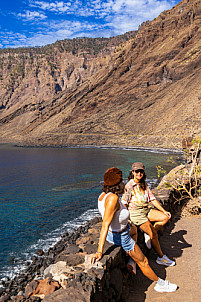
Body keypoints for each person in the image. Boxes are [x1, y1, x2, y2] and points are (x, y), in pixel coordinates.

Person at [91, 167, 177, 293]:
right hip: (121, 237)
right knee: (144, 261)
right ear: (118, 183)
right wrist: (99, 251)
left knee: (135, 230)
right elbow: (105, 224)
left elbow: (114, 216)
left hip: (120, 231)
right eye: (121, 181)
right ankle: (160, 284)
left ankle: (131, 261)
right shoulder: (113, 199)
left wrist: (126, 221)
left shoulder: (103, 195)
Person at [121, 162, 175, 267]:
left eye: (141, 171)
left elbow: (152, 199)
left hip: (146, 210)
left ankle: (148, 237)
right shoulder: (129, 186)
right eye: (137, 171)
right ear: (132, 172)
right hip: (136, 214)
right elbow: (124, 203)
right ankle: (161, 257)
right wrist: (126, 218)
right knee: (154, 233)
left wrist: (163, 210)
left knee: (165, 218)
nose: (139, 173)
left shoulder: (144, 184)